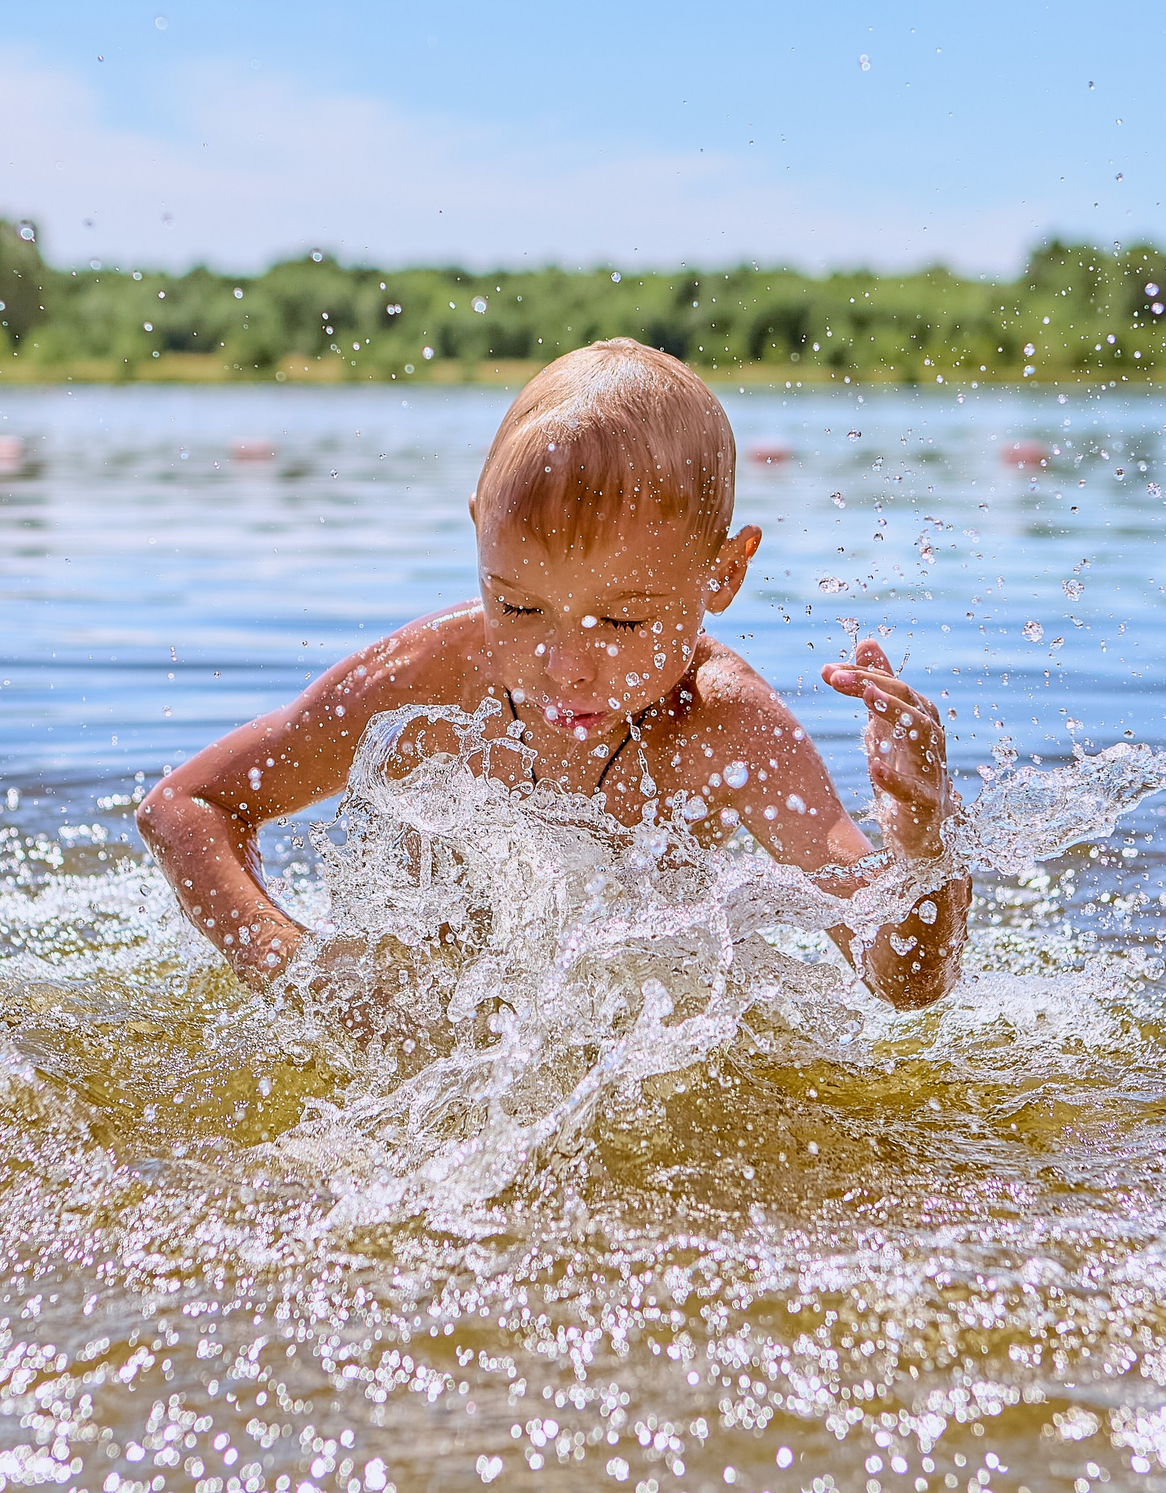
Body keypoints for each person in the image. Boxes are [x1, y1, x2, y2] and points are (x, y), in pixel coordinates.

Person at [137, 338, 970, 1008]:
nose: (564, 667)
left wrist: (922, 835)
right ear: (477, 533)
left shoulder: (728, 730)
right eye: (520, 607)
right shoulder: (430, 681)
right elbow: (186, 807)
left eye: (623, 620)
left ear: (723, 572)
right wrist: (312, 981)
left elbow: (898, 980)